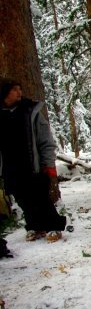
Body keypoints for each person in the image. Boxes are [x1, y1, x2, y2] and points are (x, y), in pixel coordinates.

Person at [0, 79, 66, 243]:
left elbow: (46, 141)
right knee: (23, 200)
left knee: (40, 197)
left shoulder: (31, 112)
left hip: (32, 165)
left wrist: (48, 165)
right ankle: (35, 226)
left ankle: (53, 226)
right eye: (15, 90)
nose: (19, 93)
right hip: (10, 168)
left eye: (20, 89)